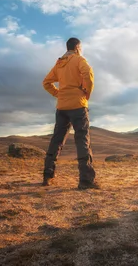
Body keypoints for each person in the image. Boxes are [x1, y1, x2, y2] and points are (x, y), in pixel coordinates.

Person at [42, 37, 100, 189]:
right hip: (78, 106)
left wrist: (59, 94)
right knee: (82, 141)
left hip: (62, 107)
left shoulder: (59, 63)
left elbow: (46, 82)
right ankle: (86, 181)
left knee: (56, 141)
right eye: (81, 48)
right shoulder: (78, 59)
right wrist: (86, 92)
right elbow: (88, 73)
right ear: (78, 47)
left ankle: (47, 176)